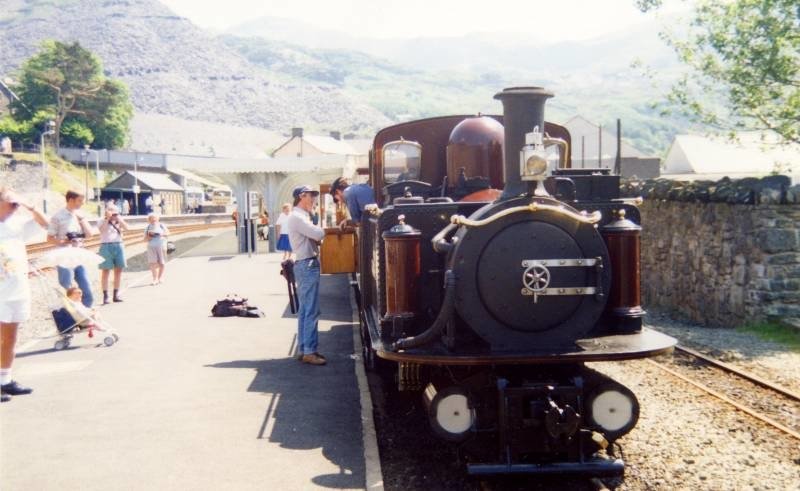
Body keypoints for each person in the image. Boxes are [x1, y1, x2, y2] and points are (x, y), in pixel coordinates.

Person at [0, 186, 49, 402]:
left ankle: (5, 380)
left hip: (17, 289)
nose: (14, 206)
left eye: (15, 203)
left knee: (11, 336)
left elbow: (44, 223)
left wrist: (29, 205)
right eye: (10, 202)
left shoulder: (15, 224)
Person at [288, 186, 326, 366]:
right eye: (311, 197)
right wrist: (318, 227)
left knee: (305, 309)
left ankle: (304, 349)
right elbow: (318, 233)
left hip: (304, 264)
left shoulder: (299, 216)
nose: (313, 201)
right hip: (307, 264)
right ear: (302, 197)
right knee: (311, 310)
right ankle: (309, 351)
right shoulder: (298, 217)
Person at [48, 190, 95, 307]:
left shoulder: (78, 215)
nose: (82, 203)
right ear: (70, 200)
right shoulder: (57, 217)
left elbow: (90, 234)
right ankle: (70, 319)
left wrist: (82, 219)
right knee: (67, 289)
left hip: (78, 255)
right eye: (80, 201)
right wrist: (65, 241)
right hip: (65, 256)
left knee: (87, 290)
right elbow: (49, 238)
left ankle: (86, 318)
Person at [97, 204, 129, 304]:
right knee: (105, 271)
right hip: (106, 246)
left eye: (114, 211)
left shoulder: (119, 220)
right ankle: (105, 295)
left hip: (118, 244)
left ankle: (116, 294)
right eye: (110, 210)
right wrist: (107, 219)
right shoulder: (101, 220)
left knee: (118, 270)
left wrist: (119, 219)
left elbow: (127, 228)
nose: (112, 213)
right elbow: (102, 230)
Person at [144, 213, 169, 285]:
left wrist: (161, 234)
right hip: (151, 247)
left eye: (154, 218)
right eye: (151, 219)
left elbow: (168, 234)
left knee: (162, 262)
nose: (153, 220)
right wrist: (150, 237)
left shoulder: (162, 226)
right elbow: (144, 239)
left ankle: (160, 277)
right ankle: (154, 279)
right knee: (152, 263)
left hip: (161, 246)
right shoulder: (148, 227)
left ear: (158, 219)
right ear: (149, 220)